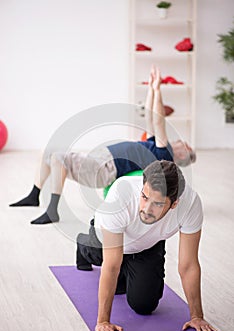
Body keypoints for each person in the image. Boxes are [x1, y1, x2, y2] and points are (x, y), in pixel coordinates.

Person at [9, 67, 196, 225]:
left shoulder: (164, 154)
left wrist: (159, 90)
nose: (181, 141)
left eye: (186, 145)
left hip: (105, 169)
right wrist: (153, 89)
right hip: (101, 159)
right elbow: (149, 116)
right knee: (48, 151)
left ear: (183, 154)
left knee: (58, 158)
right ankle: (34, 195)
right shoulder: (154, 145)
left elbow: (158, 120)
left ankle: (52, 211)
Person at [76, 160, 217, 331]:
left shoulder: (190, 204)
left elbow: (188, 265)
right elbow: (111, 266)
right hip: (106, 238)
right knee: (108, 261)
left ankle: (127, 272)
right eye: (144, 197)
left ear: (174, 204)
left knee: (144, 305)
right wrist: (103, 321)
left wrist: (197, 316)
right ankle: (83, 246)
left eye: (158, 204)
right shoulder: (121, 195)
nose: (146, 209)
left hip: (147, 245)